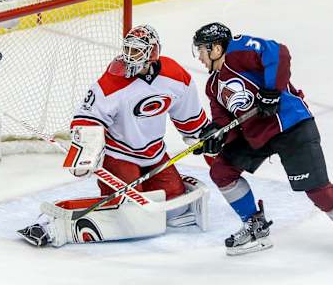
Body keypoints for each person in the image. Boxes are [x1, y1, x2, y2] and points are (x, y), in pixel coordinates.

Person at [191, 22, 333, 261]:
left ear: (216, 48)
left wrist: (272, 90)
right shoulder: (213, 87)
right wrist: (215, 135)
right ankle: (255, 226)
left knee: (318, 190)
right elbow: (225, 122)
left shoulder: (238, 51)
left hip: (290, 124)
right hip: (257, 133)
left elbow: (278, 53)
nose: (199, 57)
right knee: (222, 171)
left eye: (201, 50)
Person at [18, 25, 210, 247]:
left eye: (137, 51)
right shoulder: (112, 80)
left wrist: (200, 134)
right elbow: (88, 117)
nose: (129, 55)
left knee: (176, 205)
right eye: (128, 48)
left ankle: (139, 200)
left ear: (152, 53)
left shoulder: (174, 74)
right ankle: (51, 224)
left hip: (154, 155)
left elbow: (188, 113)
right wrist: (87, 152)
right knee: (132, 213)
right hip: (119, 155)